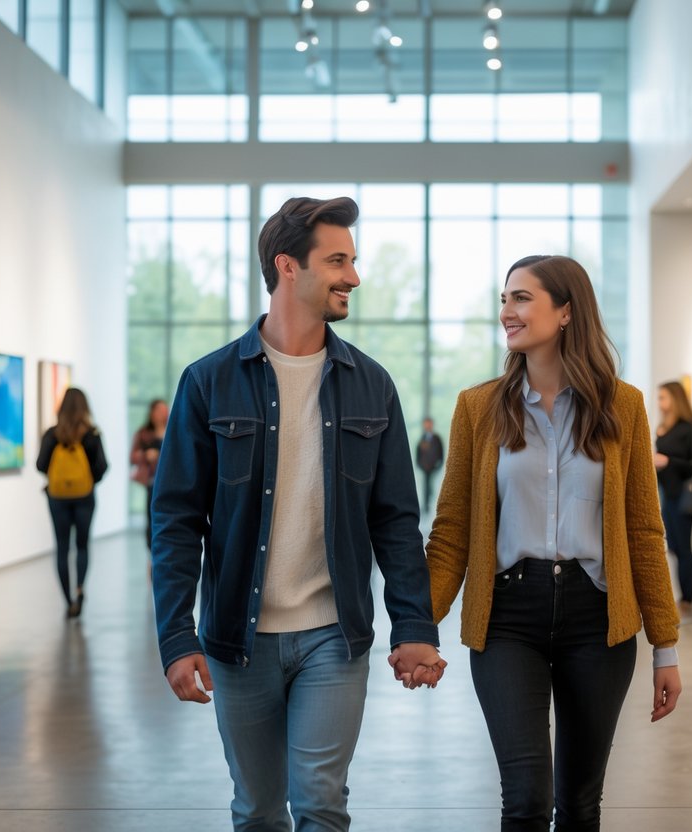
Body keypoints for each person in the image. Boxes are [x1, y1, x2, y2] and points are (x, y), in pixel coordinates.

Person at [150, 195, 446, 832]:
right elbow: (176, 520)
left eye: (353, 260)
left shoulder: (373, 385)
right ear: (288, 266)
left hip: (332, 636)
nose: (354, 277)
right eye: (337, 260)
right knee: (257, 811)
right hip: (237, 638)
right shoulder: (208, 383)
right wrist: (176, 636)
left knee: (319, 801)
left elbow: (395, 520)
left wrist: (413, 625)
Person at [420, 255, 682, 831]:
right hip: (508, 615)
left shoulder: (624, 406)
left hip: (598, 618)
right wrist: (420, 626)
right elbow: (452, 531)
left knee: (581, 804)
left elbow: (643, 530)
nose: (505, 312)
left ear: (566, 312)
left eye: (520, 298)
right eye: (504, 298)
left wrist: (665, 645)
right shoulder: (479, 407)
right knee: (525, 800)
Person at [36, 388, 108, 618]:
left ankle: (67, 601)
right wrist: (88, 481)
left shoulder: (52, 434)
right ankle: (79, 590)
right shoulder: (92, 435)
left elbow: (40, 464)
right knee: (83, 545)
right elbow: (102, 466)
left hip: (57, 498)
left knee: (62, 546)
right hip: (85, 497)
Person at [654, 380, 692, 619]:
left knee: (684, 548)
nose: (660, 403)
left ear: (675, 399)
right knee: (674, 547)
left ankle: (688, 600)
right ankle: (682, 597)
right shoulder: (664, 426)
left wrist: (668, 462)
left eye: (663, 397)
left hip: (684, 496)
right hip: (666, 494)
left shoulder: (690, 427)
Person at [130, 398, 168, 554]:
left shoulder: (174, 430)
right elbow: (132, 457)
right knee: (152, 521)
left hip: (171, 483)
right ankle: (152, 554)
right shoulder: (144, 433)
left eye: (164, 410)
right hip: (153, 483)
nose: (162, 413)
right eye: (159, 410)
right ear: (152, 413)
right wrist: (146, 455)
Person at [415, 416, 444, 514]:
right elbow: (418, 453)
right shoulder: (422, 438)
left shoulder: (437, 438)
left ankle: (432, 501)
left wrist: (439, 464)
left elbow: (441, 452)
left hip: (434, 467)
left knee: (431, 485)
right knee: (426, 485)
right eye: (426, 423)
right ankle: (426, 505)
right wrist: (419, 464)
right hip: (424, 467)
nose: (428, 425)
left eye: (429, 423)